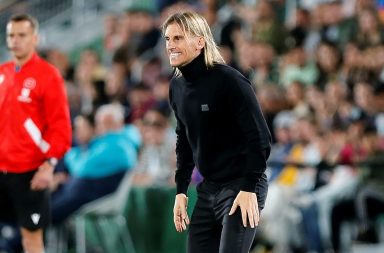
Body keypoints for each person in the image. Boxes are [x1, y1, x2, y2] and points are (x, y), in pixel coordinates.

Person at [162, 11, 271, 253]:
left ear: (199, 42)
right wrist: (181, 191)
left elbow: (260, 138)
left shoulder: (229, 80)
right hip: (208, 189)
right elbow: (184, 140)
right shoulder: (176, 86)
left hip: (240, 185)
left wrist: (248, 187)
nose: (171, 45)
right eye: (168, 39)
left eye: (178, 38)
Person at [0, 14, 72, 253]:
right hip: (2, 167)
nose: (16, 40)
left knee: (31, 239)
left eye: (22, 35)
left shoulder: (48, 75)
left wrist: (49, 164)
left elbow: (60, 126)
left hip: (30, 173)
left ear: (35, 38)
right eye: (11, 35)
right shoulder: (3, 72)